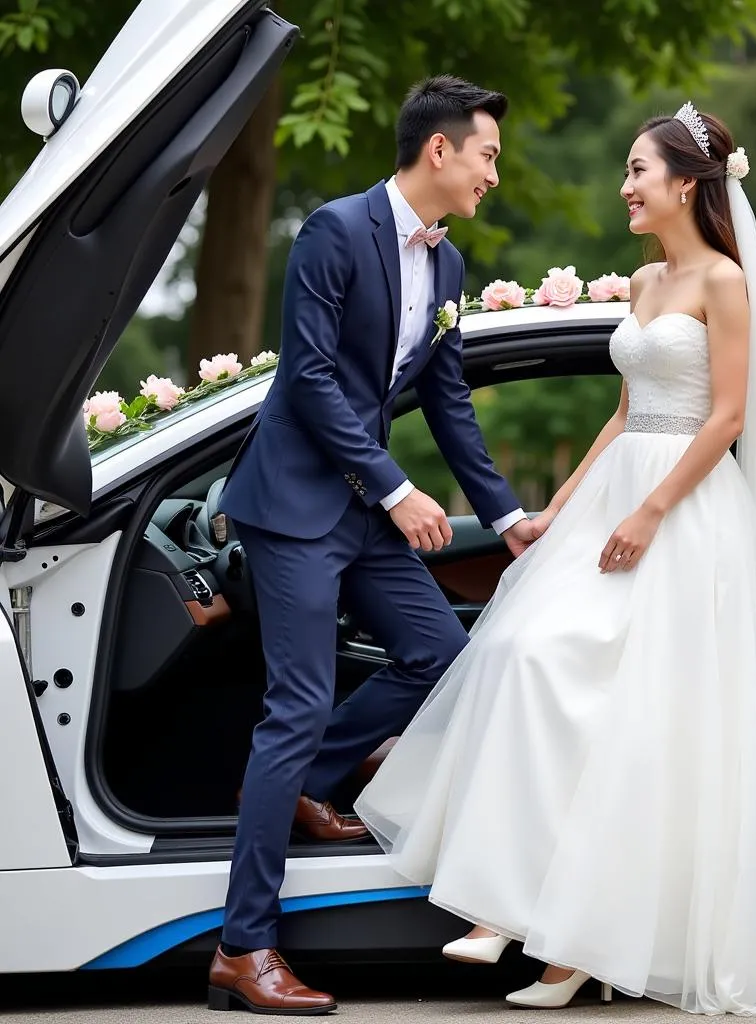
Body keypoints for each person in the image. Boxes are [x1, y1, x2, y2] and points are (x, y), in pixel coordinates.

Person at [354, 103, 756, 1014]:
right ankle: (504, 904)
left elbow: (726, 416)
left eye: (637, 171)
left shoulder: (725, 283)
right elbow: (623, 410)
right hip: (618, 493)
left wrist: (649, 511)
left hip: (685, 509)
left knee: (633, 724)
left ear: (685, 182)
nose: (625, 188)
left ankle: (577, 949)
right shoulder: (648, 283)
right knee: (519, 657)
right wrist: (563, 503)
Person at [207, 75, 537, 1015]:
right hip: (297, 504)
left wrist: (508, 517)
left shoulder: (450, 266)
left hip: (358, 509)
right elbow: (308, 381)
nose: (493, 175)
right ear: (439, 150)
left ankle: (311, 778)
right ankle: (244, 947)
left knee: (442, 651)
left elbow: (448, 397)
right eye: (487, 155)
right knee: (297, 702)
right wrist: (395, 490)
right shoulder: (334, 231)